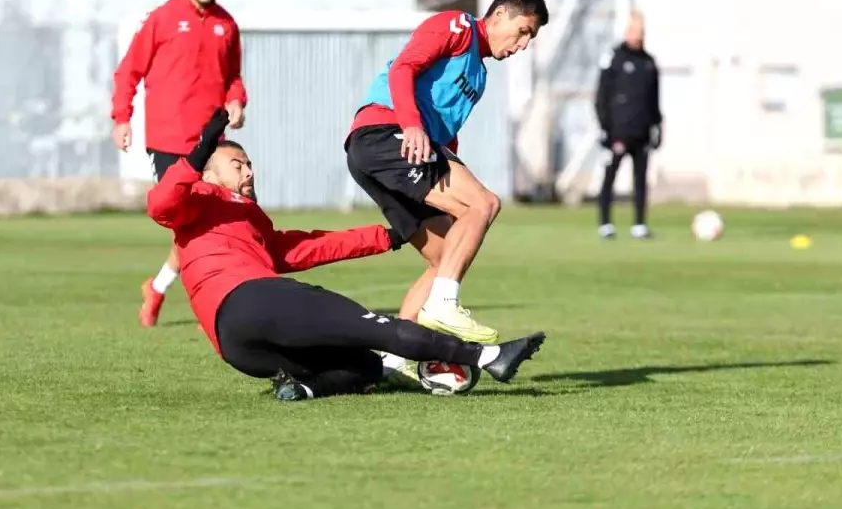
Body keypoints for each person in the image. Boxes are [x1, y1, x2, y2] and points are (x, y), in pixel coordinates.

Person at [147, 109, 548, 401]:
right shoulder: (196, 198)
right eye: (238, 165)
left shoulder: (251, 219)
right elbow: (161, 204)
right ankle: (487, 356)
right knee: (374, 328)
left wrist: (388, 236)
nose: (249, 172)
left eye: (250, 164)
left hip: (238, 348)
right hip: (251, 298)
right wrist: (199, 153)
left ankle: (302, 388)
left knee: (365, 367)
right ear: (211, 175)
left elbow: (305, 248)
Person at [344, 0, 550, 345]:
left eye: (529, 39)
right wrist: (409, 124)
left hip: (398, 151)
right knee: (484, 203)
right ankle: (444, 305)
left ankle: (398, 354)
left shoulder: (479, 76)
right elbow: (403, 68)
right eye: (523, 32)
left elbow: (445, 138)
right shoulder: (457, 26)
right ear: (500, 13)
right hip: (385, 133)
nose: (522, 45)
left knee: (446, 255)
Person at [111, 0, 247, 327]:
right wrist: (122, 118)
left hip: (214, 141)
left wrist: (236, 100)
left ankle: (164, 288)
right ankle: (165, 288)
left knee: (217, 220)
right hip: (170, 140)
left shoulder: (226, 24)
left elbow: (232, 76)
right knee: (188, 223)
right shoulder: (163, 19)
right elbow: (129, 71)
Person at [595, 10, 663, 240]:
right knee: (610, 176)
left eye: (641, 32)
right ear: (627, 32)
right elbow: (601, 96)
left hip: (642, 131)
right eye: (634, 31)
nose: (638, 36)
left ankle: (639, 224)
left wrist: (657, 125)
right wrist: (604, 127)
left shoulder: (649, 62)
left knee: (641, 180)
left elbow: (654, 98)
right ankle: (605, 223)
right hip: (618, 131)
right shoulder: (613, 58)